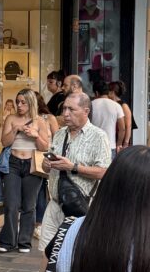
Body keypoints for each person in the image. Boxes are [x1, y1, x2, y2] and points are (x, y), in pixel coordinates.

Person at [39, 92, 111, 247]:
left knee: (75, 251)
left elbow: (104, 172)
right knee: (47, 252)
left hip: (80, 206)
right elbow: (46, 169)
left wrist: (73, 167)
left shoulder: (99, 136)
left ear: (86, 111)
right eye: (64, 109)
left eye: (71, 109)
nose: (65, 114)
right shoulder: (59, 134)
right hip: (55, 204)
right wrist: (46, 165)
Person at [0, 88, 51, 253]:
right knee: (11, 204)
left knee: (29, 204)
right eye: (17, 102)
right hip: (12, 163)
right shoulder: (11, 118)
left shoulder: (40, 121)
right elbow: (4, 142)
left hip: (32, 164)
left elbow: (45, 147)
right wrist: (15, 130)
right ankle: (8, 241)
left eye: (23, 102)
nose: (19, 105)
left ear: (31, 103)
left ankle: (24, 242)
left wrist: (35, 135)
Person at [90, 81, 125, 157]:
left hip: (93, 146)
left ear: (96, 93)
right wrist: (119, 144)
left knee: (92, 169)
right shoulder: (116, 106)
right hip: (110, 146)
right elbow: (122, 128)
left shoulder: (90, 105)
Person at [109, 80, 134, 146]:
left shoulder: (123, 105)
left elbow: (128, 126)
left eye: (108, 91)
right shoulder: (111, 104)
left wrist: (125, 143)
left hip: (121, 140)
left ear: (112, 92)